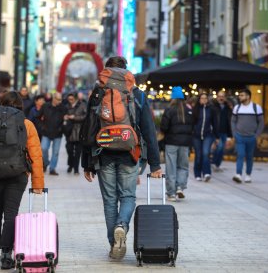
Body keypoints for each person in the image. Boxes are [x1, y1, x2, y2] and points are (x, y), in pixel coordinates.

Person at [82, 56, 162, 261]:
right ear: (126, 71)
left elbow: (88, 128)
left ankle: (113, 245)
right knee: (127, 196)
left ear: (106, 70)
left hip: (103, 153)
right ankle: (122, 226)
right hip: (130, 152)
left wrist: (86, 163)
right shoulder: (136, 94)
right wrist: (155, 164)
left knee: (110, 200)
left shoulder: (98, 93)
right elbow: (149, 130)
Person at [0, 91, 44, 269]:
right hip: (17, 174)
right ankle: (6, 253)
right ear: (21, 106)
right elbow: (36, 155)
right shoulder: (27, 124)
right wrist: (38, 184)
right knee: (11, 213)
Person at [160, 86, 193, 201]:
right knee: (183, 166)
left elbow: (164, 127)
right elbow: (193, 126)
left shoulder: (169, 110)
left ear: (172, 97)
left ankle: (171, 193)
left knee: (171, 167)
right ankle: (180, 186)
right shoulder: (189, 110)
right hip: (185, 144)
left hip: (171, 142)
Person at [231, 88, 264, 183]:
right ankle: (238, 174)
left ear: (248, 96)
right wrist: (234, 133)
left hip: (251, 137)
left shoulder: (256, 107)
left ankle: (248, 175)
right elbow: (233, 121)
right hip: (239, 136)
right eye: (239, 95)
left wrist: (257, 135)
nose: (239, 97)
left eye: (242, 95)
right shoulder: (237, 108)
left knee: (249, 156)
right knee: (240, 155)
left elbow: (261, 122)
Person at [37, 92, 67, 175]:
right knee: (43, 148)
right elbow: (38, 117)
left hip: (58, 133)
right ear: (53, 99)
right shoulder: (45, 106)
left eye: (61, 99)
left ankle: (52, 168)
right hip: (46, 132)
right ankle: (45, 163)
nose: (60, 101)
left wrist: (62, 128)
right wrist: (42, 127)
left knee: (56, 152)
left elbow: (66, 120)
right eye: (58, 99)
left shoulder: (63, 108)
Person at [192, 92, 219, 182]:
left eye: (205, 98)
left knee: (205, 153)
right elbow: (191, 123)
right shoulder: (195, 110)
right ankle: (197, 173)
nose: (204, 100)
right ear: (199, 100)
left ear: (207, 100)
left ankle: (207, 173)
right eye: (202, 98)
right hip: (196, 136)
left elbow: (215, 123)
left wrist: (217, 137)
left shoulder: (211, 109)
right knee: (198, 155)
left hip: (208, 135)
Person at [65, 93, 87, 175]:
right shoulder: (66, 106)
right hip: (69, 131)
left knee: (78, 152)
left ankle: (76, 169)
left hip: (79, 131)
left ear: (76, 98)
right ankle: (71, 164)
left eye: (71, 99)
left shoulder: (82, 105)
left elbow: (85, 116)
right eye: (69, 99)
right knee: (69, 150)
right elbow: (63, 114)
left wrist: (75, 118)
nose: (70, 101)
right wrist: (65, 117)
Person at [212, 90, 233, 172]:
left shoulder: (228, 108)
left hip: (225, 132)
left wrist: (229, 135)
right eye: (219, 96)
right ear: (217, 97)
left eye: (222, 96)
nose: (221, 98)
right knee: (219, 147)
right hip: (216, 131)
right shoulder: (213, 107)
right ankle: (214, 163)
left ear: (225, 98)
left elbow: (229, 121)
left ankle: (217, 164)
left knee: (221, 149)